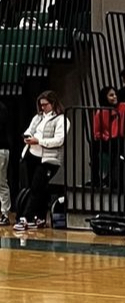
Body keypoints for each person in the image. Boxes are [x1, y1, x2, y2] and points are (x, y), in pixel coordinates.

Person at [16, 92, 70, 230]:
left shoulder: (61, 120)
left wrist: (39, 141)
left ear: (53, 103)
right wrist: (27, 137)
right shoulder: (37, 117)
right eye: (41, 105)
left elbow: (59, 140)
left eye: (45, 105)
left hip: (49, 159)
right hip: (32, 155)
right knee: (38, 188)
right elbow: (29, 130)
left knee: (36, 187)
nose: (42, 108)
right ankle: (39, 217)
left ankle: (26, 218)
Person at [0, 100, 10, 225]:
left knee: (1, 183)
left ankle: (4, 213)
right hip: (2, 149)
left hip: (0, 149)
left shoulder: (1, 108)